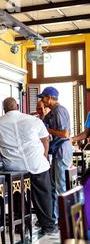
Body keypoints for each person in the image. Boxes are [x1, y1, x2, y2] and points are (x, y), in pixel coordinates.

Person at [0, 97, 56, 234]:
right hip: (36, 163)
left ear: (4, 109)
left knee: (17, 194)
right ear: (18, 106)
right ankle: (48, 226)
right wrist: (44, 157)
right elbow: (45, 139)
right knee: (43, 194)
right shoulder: (34, 120)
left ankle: (21, 225)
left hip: (14, 168)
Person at [40, 86, 74, 225]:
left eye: (43, 98)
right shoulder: (52, 112)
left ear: (49, 98)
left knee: (61, 185)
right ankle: (55, 218)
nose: (42, 100)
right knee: (54, 185)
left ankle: (65, 219)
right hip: (58, 150)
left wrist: (48, 129)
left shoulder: (59, 110)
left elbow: (65, 134)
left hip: (62, 149)